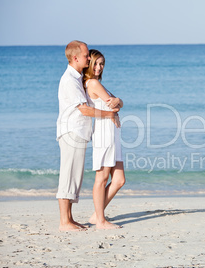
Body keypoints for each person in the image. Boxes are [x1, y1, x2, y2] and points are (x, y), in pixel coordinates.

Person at [56, 41, 120, 231]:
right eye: (86, 55)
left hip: (79, 132)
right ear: (75, 58)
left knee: (74, 177)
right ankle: (64, 222)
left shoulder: (76, 79)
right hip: (71, 131)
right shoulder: (69, 80)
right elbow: (84, 110)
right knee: (68, 176)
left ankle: (69, 219)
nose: (89, 58)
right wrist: (110, 114)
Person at [83, 49, 126, 230]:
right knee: (101, 178)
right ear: (89, 64)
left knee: (119, 180)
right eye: (96, 63)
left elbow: (119, 102)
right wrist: (116, 104)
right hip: (104, 133)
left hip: (112, 133)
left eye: (102, 64)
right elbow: (114, 104)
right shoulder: (92, 83)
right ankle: (100, 220)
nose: (99, 67)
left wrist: (118, 102)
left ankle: (96, 214)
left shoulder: (99, 84)